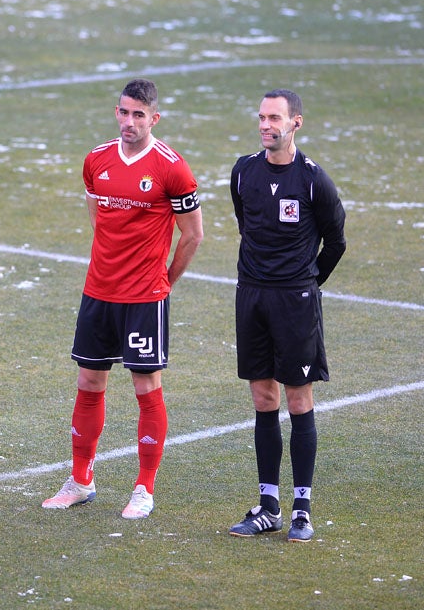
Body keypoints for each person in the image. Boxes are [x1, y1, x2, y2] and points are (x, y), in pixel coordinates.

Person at [42, 78, 203, 518]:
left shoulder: (173, 168)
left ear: (154, 118)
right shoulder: (96, 159)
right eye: (123, 112)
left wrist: (164, 280)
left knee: (145, 387)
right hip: (98, 291)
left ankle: (143, 488)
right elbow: (99, 216)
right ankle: (80, 480)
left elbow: (193, 235)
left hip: (145, 297)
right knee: (89, 382)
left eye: (138, 115)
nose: (129, 121)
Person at [227, 89, 346, 543]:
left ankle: (302, 509)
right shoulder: (243, 173)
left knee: (298, 400)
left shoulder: (315, 181)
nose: (264, 125)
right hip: (251, 297)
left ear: (296, 122)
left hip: (295, 302)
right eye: (261, 117)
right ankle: (268, 505)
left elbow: (335, 242)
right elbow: (247, 223)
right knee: (262, 398)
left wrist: (308, 283)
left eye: (274, 118)